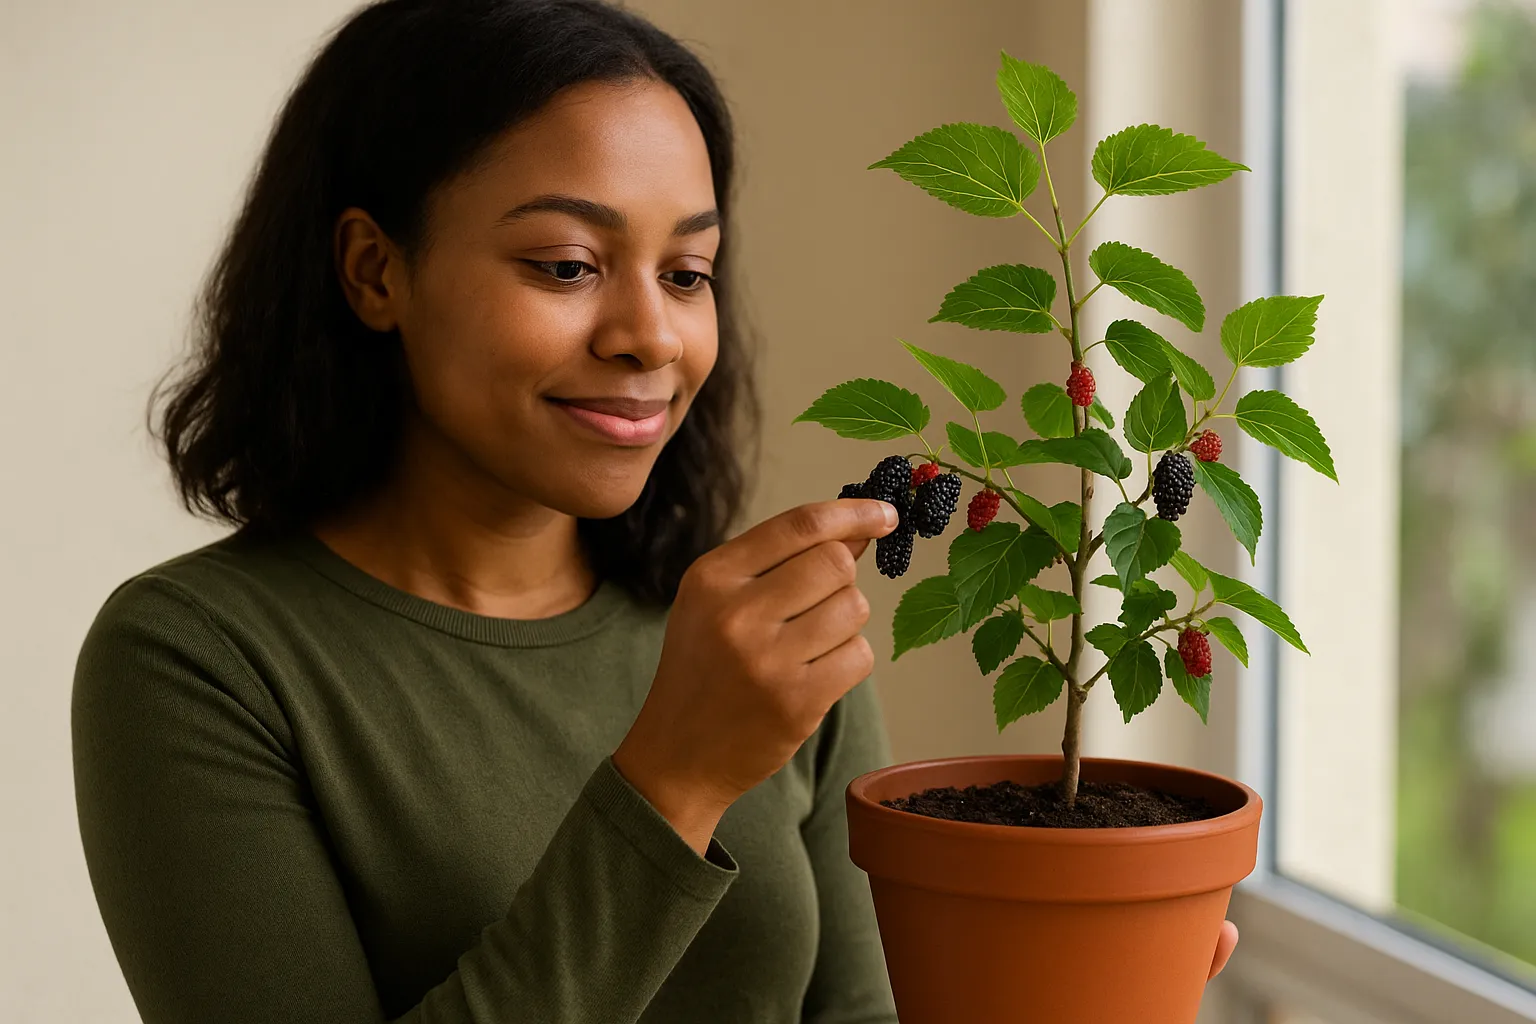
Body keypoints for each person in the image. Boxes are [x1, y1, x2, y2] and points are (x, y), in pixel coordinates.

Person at [72, 2, 1236, 1021]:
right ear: (377, 271)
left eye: (687, 273)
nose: (651, 336)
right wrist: (671, 779)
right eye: (569, 264)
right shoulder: (197, 661)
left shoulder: (760, 637)